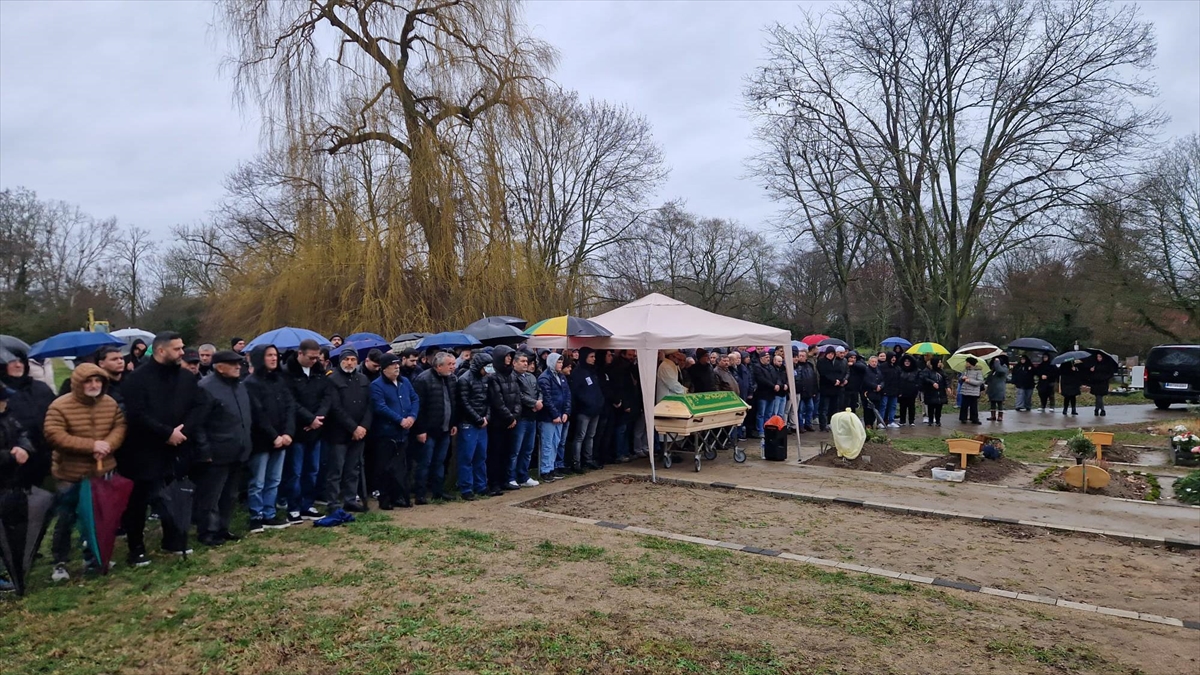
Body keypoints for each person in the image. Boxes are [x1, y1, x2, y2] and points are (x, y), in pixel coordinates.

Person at [117, 331, 201, 565]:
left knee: (172, 496)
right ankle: (136, 548)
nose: (182, 353)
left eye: (182, 347)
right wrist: (166, 433)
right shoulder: (137, 379)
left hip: (177, 447)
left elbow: (199, 405)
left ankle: (173, 540)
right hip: (142, 450)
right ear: (161, 351)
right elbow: (136, 415)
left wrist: (182, 432)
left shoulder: (185, 377)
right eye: (177, 349)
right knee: (139, 501)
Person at [42, 364, 124, 581]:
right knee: (66, 517)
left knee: (97, 517)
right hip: (70, 473)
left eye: (98, 381)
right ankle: (60, 562)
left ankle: (93, 557)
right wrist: (91, 446)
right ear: (78, 383)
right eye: (89, 381)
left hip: (102, 470)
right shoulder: (59, 406)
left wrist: (108, 444)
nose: (94, 385)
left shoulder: (110, 403)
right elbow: (54, 435)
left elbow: (119, 426)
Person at [193, 351, 253, 547]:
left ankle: (223, 528)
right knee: (211, 495)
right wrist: (204, 450)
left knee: (230, 494)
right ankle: (207, 532)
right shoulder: (206, 388)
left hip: (238, 449)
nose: (238, 367)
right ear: (219, 366)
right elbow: (198, 424)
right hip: (216, 451)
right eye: (233, 364)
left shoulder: (240, 386)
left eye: (239, 363)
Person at [243, 345, 295, 532]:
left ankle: (269, 513)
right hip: (262, 440)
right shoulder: (250, 383)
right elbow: (258, 414)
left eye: (275, 355)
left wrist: (288, 432)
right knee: (258, 481)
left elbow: (290, 407)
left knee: (274, 479)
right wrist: (274, 436)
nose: (274, 358)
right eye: (269, 355)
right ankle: (256, 516)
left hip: (282, 438)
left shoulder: (280, 380)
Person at [282, 338, 331, 522]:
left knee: (313, 470)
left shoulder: (319, 371)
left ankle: (307, 504)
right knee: (295, 471)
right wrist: (309, 419)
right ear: (300, 354)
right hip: (297, 430)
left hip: (316, 430)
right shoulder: (287, 373)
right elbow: (290, 401)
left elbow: (327, 397)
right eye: (310, 358)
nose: (314, 361)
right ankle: (293, 507)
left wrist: (318, 418)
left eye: (316, 358)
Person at [324, 347, 373, 513]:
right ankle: (332, 502)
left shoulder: (363, 379)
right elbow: (335, 408)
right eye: (346, 359)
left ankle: (350, 499)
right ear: (340, 361)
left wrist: (363, 427)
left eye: (353, 359)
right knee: (336, 469)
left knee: (354, 469)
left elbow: (369, 406)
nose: (350, 362)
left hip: (359, 434)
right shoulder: (333, 379)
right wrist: (353, 427)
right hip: (339, 432)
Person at [0, 346, 56, 487]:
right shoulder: (3, 394)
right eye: (12, 361)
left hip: (47, 457)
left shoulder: (40, 388)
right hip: (14, 463)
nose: (18, 365)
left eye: (21, 360)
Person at [369, 353, 420, 508]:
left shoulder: (405, 382)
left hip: (403, 433)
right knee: (384, 468)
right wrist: (400, 420)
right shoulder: (377, 385)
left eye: (398, 364)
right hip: (386, 433)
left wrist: (412, 416)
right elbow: (380, 407)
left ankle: (400, 497)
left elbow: (415, 399)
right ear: (384, 368)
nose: (397, 367)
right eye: (393, 365)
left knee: (401, 467)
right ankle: (385, 499)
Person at [411, 352, 458, 503]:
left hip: (445, 429)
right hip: (428, 431)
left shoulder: (451, 379)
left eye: (453, 364)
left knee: (440, 461)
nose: (453, 367)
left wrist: (453, 423)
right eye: (449, 365)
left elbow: (452, 402)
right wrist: (420, 430)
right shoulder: (423, 380)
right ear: (439, 366)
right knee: (425, 463)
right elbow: (418, 408)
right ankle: (420, 494)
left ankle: (438, 491)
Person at [455, 352, 492, 500]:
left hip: (482, 422)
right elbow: (464, 403)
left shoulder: (486, 379)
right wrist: (477, 419)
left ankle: (481, 486)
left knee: (481, 456)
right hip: (468, 423)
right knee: (467, 457)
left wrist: (487, 417)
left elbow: (488, 400)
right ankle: (466, 488)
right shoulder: (464, 380)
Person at [487, 345, 522, 493]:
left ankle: (505, 479)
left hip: (511, 421)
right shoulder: (493, 376)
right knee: (496, 453)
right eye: (507, 356)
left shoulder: (512, 375)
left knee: (508, 452)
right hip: (498, 422)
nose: (509, 358)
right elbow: (497, 401)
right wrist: (509, 418)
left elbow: (518, 397)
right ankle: (494, 482)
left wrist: (515, 416)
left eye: (510, 356)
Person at [568, 347, 604, 473]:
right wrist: (586, 403)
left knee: (590, 436)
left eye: (594, 357)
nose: (594, 359)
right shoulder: (578, 373)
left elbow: (596, 390)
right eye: (591, 357)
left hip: (595, 409)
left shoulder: (592, 371)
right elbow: (576, 392)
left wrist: (599, 402)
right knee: (580, 436)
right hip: (584, 410)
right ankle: (576, 462)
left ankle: (588, 459)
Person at [537, 353, 571, 482]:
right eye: (558, 362)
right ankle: (545, 469)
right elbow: (547, 398)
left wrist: (566, 412)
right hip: (548, 418)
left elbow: (567, 395)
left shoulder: (561, 377)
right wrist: (555, 414)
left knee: (556, 443)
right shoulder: (544, 378)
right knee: (547, 444)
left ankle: (552, 467)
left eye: (562, 362)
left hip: (561, 416)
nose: (561, 365)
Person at [510, 351, 542, 485]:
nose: (525, 363)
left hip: (532, 417)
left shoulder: (531, 377)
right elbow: (519, 395)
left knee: (528, 449)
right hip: (521, 416)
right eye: (522, 361)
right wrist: (533, 403)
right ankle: (511, 476)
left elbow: (539, 391)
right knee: (515, 449)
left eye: (526, 361)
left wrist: (539, 401)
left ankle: (523, 475)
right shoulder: (512, 377)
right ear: (514, 363)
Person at [60, 346, 126, 408]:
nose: (120, 362)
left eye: (121, 358)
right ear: (101, 363)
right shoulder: (91, 384)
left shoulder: (129, 381)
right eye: (114, 359)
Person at [816, 348, 847, 431]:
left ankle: (831, 423)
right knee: (824, 408)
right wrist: (834, 381)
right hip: (826, 388)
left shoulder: (836, 363)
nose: (831, 355)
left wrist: (840, 380)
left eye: (832, 354)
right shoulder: (821, 362)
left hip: (835, 389)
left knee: (834, 408)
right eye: (829, 353)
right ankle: (823, 425)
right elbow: (824, 374)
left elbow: (840, 372)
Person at [750, 351, 778, 437]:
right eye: (766, 357)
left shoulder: (771, 367)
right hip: (762, 393)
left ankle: (767, 429)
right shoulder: (757, 367)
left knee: (769, 413)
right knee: (761, 413)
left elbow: (776, 377)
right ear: (761, 358)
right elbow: (761, 379)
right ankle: (760, 430)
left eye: (769, 357)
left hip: (771, 394)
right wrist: (773, 385)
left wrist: (777, 385)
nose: (768, 359)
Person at [793, 349, 817, 432]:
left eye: (803, 356)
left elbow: (814, 378)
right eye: (800, 356)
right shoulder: (797, 367)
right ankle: (800, 425)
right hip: (801, 392)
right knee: (800, 410)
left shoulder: (809, 365)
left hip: (809, 392)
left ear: (806, 357)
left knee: (810, 408)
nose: (801, 357)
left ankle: (808, 424)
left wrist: (814, 390)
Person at [957, 356, 984, 425]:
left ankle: (974, 418)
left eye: (967, 362)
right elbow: (960, 380)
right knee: (964, 406)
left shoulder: (978, 371)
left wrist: (969, 381)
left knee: (973, 406)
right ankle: (963, 418)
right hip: (965, 391)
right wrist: (962, 378)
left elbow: (980, 381)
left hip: (973, 391)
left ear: (970, 363)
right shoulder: (965, 370)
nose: (966, 363)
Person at [922, 357, 949, 427]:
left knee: (939, 408)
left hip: (940, 393)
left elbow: (946, 379)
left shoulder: (941, 371)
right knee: (931, 407)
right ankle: (930, 420)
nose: (940, 363)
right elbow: (924, 379)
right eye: (939, 362)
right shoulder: (928, 371)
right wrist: (932, 383)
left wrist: (948, 387)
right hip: (931, 392)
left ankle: (938, 420)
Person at [897, 354, 922, 426]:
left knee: (911, 406)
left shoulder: (916, 370)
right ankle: (902, 420)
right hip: (902, 391)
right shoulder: (900, 369)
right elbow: (898, 380)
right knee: (902, 407)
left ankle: (911, 421)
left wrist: (916, 387)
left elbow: (919, 380)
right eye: (905, 361)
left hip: (912, 391)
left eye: (908, 361)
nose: (907, 362)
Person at [862, 355, 884, 428]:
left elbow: (882, 380)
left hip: (877, 394)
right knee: (868, 410)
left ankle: (873, 422)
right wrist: (875, 386)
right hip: (868, 393)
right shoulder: (866, 370)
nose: (874, 363)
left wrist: (880, 386)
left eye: (875, 362)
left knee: (876, 409)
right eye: (872, 362)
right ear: (869, 362)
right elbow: (865, 381)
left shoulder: (879, 370)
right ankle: (868, 424)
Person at [985, 356, 1009, 422]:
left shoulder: (1004, 368)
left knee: (999, 403)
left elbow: (999, 370)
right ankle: (993, 415)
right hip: (992, 388)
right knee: (992, 402)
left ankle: (1000, 416)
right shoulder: (993, 371)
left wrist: (997, 361)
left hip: (999, 389)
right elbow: (989, 378)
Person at [880, 353, 901, 428]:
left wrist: (899, 390)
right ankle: (881, 421)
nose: (894, 359)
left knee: (893, 406)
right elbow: (881, 378)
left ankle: (891, 421)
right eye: (892, 357)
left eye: (895, 357)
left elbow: (899, 380)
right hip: (885, 390)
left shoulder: (897, 368)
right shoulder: (883, 367)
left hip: (894, 390)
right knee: (883, 406)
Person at [771, 352, 790, 420]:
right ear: (774, 361)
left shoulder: (783, 369)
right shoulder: (772, 369)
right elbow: (776, 379)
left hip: (783, 393)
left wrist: (787, 385)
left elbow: (787, 378)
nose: (780, 363)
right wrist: (782, 385)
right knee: (775, 412)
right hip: (777, 393)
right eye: (779, 361)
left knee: (781, 413)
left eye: (781, 361)